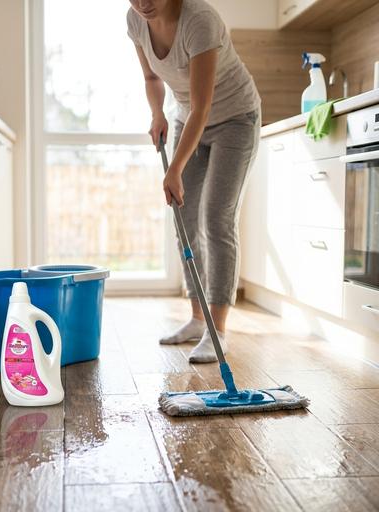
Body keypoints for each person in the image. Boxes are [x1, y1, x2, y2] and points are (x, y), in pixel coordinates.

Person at [127, 0, 261, 363]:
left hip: (235, 118)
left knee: (217, 217)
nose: (142, 3)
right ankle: (198, 319)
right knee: (183, 219)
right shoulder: (135, 21)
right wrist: (157, 113)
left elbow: (203, 105)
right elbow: (152, 78)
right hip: (188, 118)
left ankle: (218, 331)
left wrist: (174, 169)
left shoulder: (199, 21)